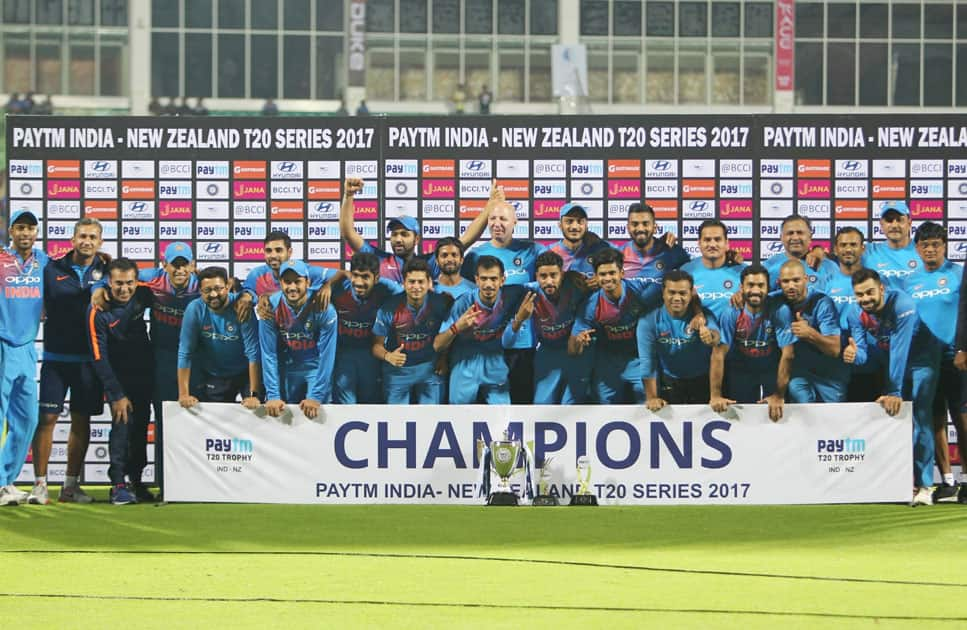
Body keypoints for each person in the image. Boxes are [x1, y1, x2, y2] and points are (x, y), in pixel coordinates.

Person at [843, 268, 940, 507]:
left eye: (870, 292)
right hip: (894, 364)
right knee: (894, 421)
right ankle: (901, 483)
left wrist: (894, 391)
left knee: (920, 415)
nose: (865, 299)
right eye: (859, 295)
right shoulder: (855, 313)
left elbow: (900, 348)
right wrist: (853, 355)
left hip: (921, 360)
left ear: (882, 289)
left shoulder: (902, 304)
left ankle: (926, 486)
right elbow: (864, 355)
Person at [32, 218, 108, 505]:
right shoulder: (51, 268)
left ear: (100, 242)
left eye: (92, 237)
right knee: (47, 420)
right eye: (82, 236)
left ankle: (70, 487)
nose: (87, 241)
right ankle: (40, 485)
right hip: (55, 359)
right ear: (73, 239)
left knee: (81, 421)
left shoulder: (107, 270)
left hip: (89, 361)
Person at [903, 222, 966, 502]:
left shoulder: (958, 274)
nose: (930, 250)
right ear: (917, 248)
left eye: (936, 245)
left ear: (945, 247)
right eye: (925, 245)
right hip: (925, 359)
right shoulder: (909, 281)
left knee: (962, 418)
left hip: (956, 355)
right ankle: (947, 480)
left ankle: (966, 478)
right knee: (934, 418)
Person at [461, 197, 546, 404]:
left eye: (503, 219)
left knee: (521, 404)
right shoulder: (475, 255)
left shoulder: (533, 251)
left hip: (522, 344)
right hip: (487, 346)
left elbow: (550, 280)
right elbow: (465, 292)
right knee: (487, 407)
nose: (497, 223)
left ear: (515, 222)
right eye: (492, 218)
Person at [87, 258, 155, 505]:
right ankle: (117, 484)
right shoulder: (98, 310)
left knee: (140, 429)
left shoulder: (143, 294)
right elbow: (98, 357)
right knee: (122, 427)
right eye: (118, 284)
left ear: (137, 281)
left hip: (144, 375)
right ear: (108, 282)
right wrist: (115, 394)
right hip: (117, 379)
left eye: (129, 283)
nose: (124, 289)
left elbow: (168, 278)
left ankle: (136, 481)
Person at [341, 177, 493, 283]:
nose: (398, 239)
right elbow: (348, 233)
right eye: (394, 234)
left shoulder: (430, 262)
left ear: (417, 239)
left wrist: (490, 207)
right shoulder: (379, 259)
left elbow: (467, 239)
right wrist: (348, 195)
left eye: (404, 234)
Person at [569, 248, 662, 404]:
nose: (608, 278)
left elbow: (675, 288)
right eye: (603, 274)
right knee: (605, 408)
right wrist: (579, 342)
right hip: (607, 364)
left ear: (622, 273)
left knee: (649, 402)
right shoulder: (590, 306)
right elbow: (572, 348)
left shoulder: (640, 288)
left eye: (612, 273)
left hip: (638, 359)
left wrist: (698, 313)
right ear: (596, 277)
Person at [0, 209, 48, 506]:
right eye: (20, 227)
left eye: (30, 228)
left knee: (28, 419)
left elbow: (75, 271)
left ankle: (5, 480)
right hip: (2, 343)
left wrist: (102, 262)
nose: (25, 233)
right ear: (11, 231)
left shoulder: (43, 261)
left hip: (28, 348)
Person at [434, 256, 526, 404]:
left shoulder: (512, 296)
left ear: (502, 280)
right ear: (476, 280)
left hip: (495, 363)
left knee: (503, 419)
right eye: (483, 279)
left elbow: (540, 286)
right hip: (465, 364)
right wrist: (457, 327)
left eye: (493, 279)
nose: (488, 284)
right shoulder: (463, 303)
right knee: (459, 417)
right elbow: (437, 344)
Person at [505, 251, 592, 404]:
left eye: (554, 275)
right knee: (541, 406)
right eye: (543, 277)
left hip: (575, 352)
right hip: (547, 354)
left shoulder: (577, 288)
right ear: (536, 276)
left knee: (571, 406)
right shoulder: (526, 293)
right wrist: (519, 318)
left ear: (562, 275)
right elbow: (506, 340)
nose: (549, 281)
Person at [260, 261, 338, 418]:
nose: (292, 287)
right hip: (288, 368)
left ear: (308, 282)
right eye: (287, 282)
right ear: (280, 283)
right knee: (284, 420)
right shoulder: (269, 307)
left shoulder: (323, 307)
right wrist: (273, 395)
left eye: (298, 281)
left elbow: (327, 354)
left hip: (316, 367)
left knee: (318, 417)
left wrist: (316, 395)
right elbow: (268, 353)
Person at [177, 267, 261, 409]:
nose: (213, 294)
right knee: (215, 427)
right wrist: (183, 394)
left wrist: (254, 395)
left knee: (255, 416)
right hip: (215, 374)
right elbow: (185, 352)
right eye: (207, 290)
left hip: (245, 372)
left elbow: (253, 353)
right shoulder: (194, 309)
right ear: (200, 291)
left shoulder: (241, 306)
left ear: (228, 286)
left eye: (218, 288)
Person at [639, 270, 721, 410]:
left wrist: (710, 336)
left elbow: (716, 339)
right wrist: (652, 397)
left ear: (691, 294)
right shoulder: (648, 321)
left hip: (702, 380)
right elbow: (648, 362)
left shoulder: (703, 317)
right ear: (663, 293)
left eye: (682, 293)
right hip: (669, 381)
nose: (677, 298)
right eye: (671, 292)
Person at [372, 258, 451, 404]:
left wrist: (443, 359)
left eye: (420, 282)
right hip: (398, 372)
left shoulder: (441, 304)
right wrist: (388, 356)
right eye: (411, 282)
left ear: (429, 283)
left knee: (432, 419)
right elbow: (376, 346)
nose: (416, 286)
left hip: (429, 370)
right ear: (404, 283)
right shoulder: (389, 307)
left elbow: (448, 336)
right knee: (396, 421)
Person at [330, 252, 402, 404]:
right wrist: (326, 287)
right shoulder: (338, 288)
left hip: (371, 354)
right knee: (345, 405)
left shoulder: (387, 289)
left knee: (369, 403)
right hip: (344, 354)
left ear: (376, 278)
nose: (359, 282)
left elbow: (413, 296)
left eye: (365, 277)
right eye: (355, 275)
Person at [712, 264, 785, 413]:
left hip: (771, 370)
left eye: (761, 285)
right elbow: (718, 354)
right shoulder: (731, 313)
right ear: (741, 288)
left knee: (775, 416)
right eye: (750, 285)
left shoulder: (779, 310)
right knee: (741, 417)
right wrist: (715, 395)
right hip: (741, 370)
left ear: (768, 288)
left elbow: (788, 353)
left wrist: (779, 394)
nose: (756, 290)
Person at [772, 259, 847, 403]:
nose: (791, 286)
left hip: (829, 374)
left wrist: (810, 333)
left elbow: (835, 349)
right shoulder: (775, 300)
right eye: (786, 282)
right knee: (803, 413)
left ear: (806, 279)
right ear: (779, 283)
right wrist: (739, 295)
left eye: (796, 280)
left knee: (832, 420)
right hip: (798, 373)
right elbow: (755, 298)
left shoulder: (822, 302)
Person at [240, 230, 333, 318]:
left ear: (289, 252)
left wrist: (328, 285)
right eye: (268, 251)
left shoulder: (306, 271)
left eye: (278, 250)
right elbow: (248, 291)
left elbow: (341, 275)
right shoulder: (256, 274)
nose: (273, 255)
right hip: (272, 330)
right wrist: (246, 298)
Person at [681, 219, 746, 320]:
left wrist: (746, 296)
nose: (712, 244)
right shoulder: (685, 272)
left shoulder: (744, 272)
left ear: (726, 243)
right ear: (699, 243)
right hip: (698, 334)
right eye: (707, 240)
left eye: (717, 239)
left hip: (735, 334)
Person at [762, 215, 837, 291]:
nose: (795, 238)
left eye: (800, 233)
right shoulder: (769, 267)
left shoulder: (829, 267)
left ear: (810, 237)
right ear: (781, 237)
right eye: (790, 233)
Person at [619, 202, 689, 282]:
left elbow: (690, 282)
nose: (640, 229)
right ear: (628, 228)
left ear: (655, 228)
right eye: (635, 224)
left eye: (646, 224)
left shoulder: (673, 252)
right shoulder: (618, 255)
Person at [546, 203, 613, 283]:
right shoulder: (548, 252)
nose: (574, 226)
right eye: (569, 221)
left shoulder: (602, 249)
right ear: (560, 225)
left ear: (586, 225)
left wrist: (602, 281)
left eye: (580, 221)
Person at [863, 200, 920, 289]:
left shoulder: (923, 251)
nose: (894, 225)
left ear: (909, 223)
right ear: (881, 224)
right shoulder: (868, 252)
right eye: (889, 220)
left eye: (899, 220)